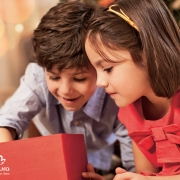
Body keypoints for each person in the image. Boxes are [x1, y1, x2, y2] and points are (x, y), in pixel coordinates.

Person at [0, 1, 135, 174]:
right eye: (54, 77)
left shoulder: (115, 91)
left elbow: (133, 164)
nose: (65, 90)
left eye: (79, 79)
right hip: (53, 160)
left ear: (100, 68)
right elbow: (8, 120)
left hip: (105, 157)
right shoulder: (38, 77)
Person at [82, 0, 180, 179]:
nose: (100, 82)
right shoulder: (132, 113)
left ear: (150, 53)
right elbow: (147, 175)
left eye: (108, 68)